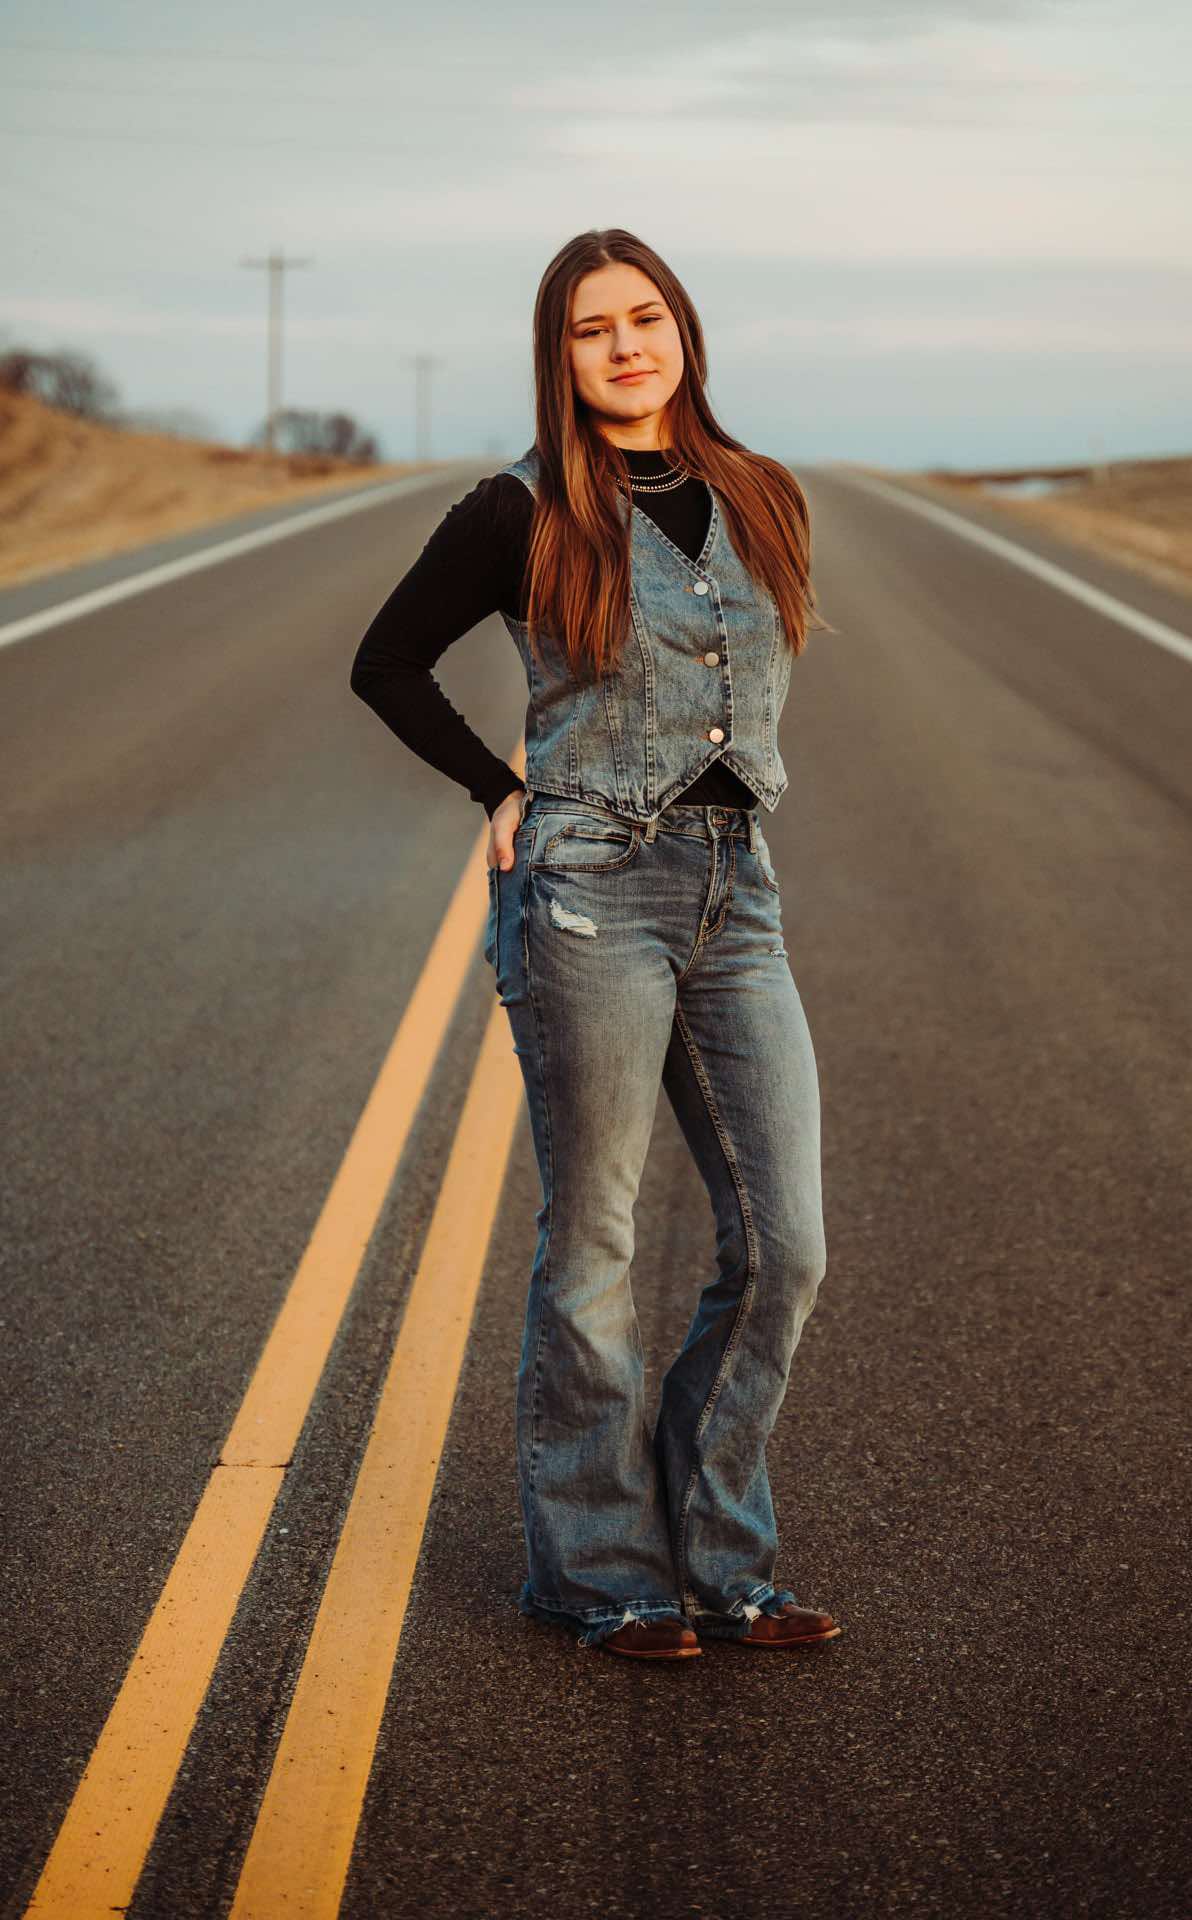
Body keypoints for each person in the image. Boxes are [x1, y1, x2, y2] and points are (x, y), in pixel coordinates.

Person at [350, 228, 840, 1661]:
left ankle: (721, 1551)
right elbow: (385, 661)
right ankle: (598, 1572)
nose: (624, 347)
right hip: (585, 896)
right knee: (594, 1242)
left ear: (681, 330)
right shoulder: (515, 509)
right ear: (557, 357)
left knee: (786, 1244)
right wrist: (500, 789)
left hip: (735, 889)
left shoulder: (761, 495)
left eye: (643, 319)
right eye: (589, 330)